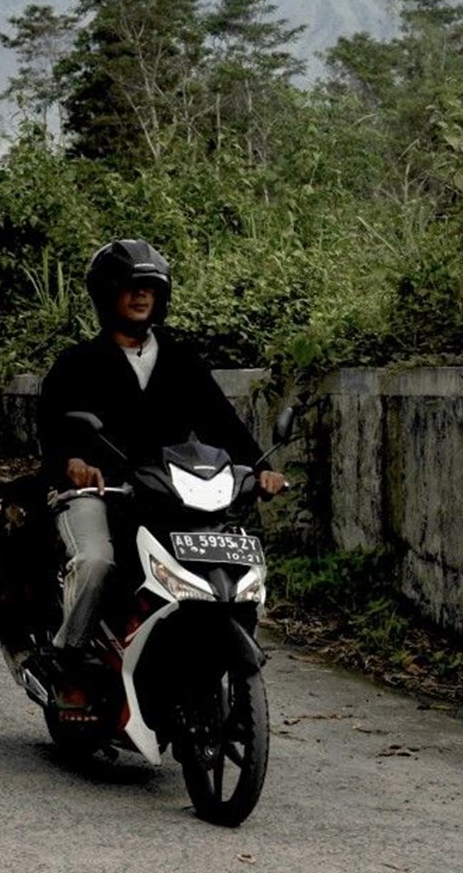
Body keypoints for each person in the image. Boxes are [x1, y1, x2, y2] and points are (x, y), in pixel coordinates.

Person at [37, 237, 286, 674]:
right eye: (129, 286)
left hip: (167, 491)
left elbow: (221, 422)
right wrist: (72, 463)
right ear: (106, 294)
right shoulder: (77, 363)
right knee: (96, 561)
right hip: (100, 490)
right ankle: (70, 659)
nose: (140, 295)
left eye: (150, 288)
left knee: (223, 561)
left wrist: (261, 468)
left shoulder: (181, 359)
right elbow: (53, 429)